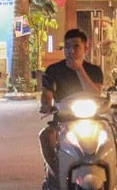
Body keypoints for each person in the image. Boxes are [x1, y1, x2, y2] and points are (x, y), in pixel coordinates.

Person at [38, 28, 106, 177]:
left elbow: (96, 92)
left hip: (92, 119)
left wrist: (79, 69)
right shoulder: (53, 70)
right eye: (67, 47)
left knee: (114, 137)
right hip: (63, 120)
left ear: (85, 48)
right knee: (46, 137)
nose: (71, 51)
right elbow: (47, 93)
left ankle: (108, 172)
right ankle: (57, 174)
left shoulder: (94, 70)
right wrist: (46, 105)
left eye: (76, 46)